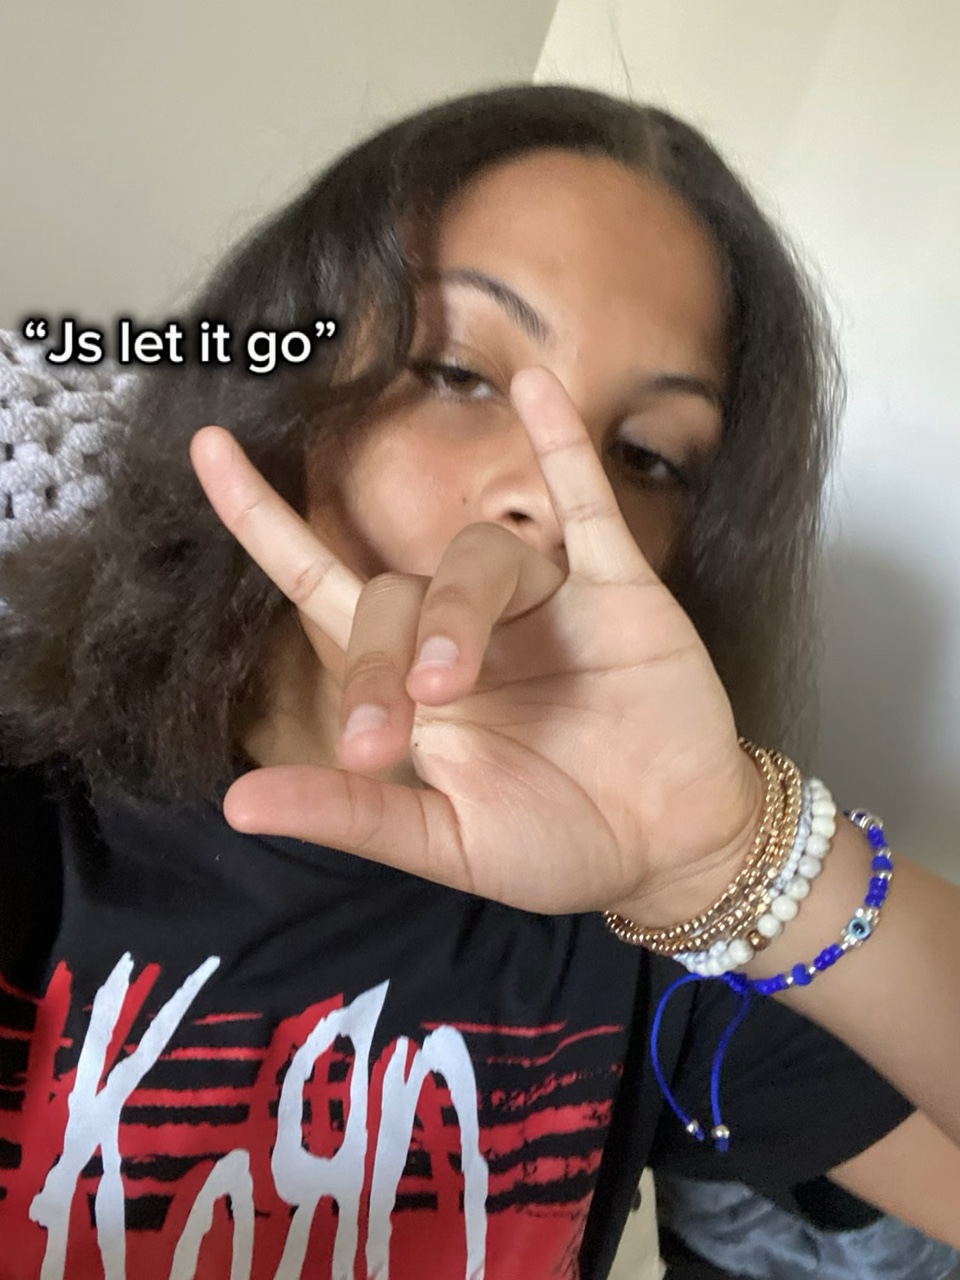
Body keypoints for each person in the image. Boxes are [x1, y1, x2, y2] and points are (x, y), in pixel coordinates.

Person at [0, 83, 957, 1280]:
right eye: (459, 372)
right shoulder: (42, 812)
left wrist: (734, 855)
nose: (553, 493)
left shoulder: (654, 933)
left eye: (648, 456)